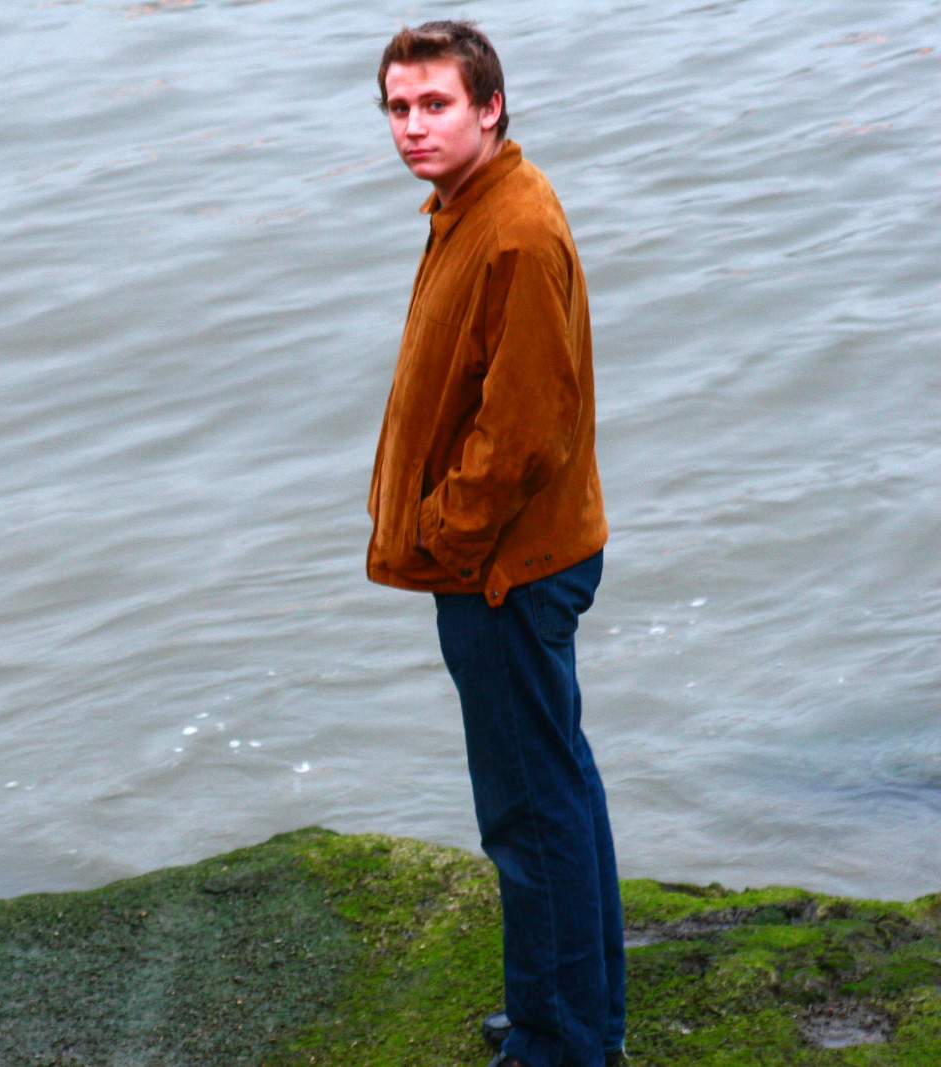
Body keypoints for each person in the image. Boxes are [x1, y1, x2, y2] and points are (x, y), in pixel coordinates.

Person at [364, 22, 626, 1067]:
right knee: (558, 785)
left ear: (490, 107)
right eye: (398, 107)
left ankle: (559, 1041)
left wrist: (446, 532)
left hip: (506, 568)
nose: (413, 126)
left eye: (435, 104)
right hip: (515, 557)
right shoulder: (469, 208)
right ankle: (577, 1015)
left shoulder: (513, 228)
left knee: (528, 808)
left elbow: (524, 430)